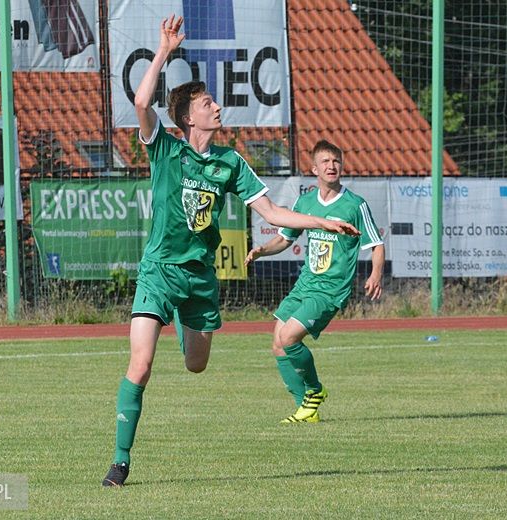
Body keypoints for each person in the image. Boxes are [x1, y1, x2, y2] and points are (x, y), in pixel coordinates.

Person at [101, 15, 360, 488]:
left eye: (214, 101)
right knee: (140, 364)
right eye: (206, 103)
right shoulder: (164, 147)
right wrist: (163, 50)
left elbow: (276, 213)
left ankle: (182, 320)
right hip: (159, 271)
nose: (216, 107)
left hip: (199, 277)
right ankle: (120, 462)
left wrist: (321, 221)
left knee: (196, 365)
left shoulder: (230, 162)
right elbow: (141, 100)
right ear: (187, 118)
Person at [245, 139, 385, 423]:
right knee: (277, 343)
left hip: (330, 290)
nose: (332, 166)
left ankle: (315, 390)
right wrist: (261, 250)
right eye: (326, 162)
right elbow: (285, 239)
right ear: (314, 169)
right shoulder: (305, 202)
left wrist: (375, 274)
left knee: (288, 338)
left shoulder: (355, 205)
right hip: (305, 285)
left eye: (336, 161)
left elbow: (377, 244)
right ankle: (305, 409)